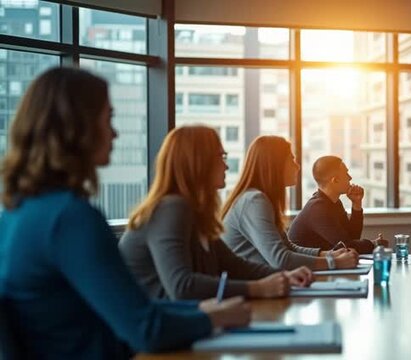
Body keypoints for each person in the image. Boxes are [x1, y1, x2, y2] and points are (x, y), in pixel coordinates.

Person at [0, 67, 249, 358]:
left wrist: (196, 309)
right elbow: (146, 330)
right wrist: (214, 318)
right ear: (77, 129)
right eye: (108, 119)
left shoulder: (16, 214)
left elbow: (128, 309)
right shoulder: (71, 219)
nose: (115, 132)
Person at [120, 126, 314, 301]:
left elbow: (234, 265)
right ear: (199, 163)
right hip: (157, 333)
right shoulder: (171, 208)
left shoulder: (195, 213)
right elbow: (182, 286)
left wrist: (282, 277)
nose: (226, 166)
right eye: (220, 157)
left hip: (183, 324)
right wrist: (257, 288)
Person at [221, 138, 360, 270]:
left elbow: (289, 248)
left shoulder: (262, 200)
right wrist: (333, 262)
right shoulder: (254, 201)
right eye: (292, 159)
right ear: (276, 164)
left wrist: (329, 255)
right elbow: (281, 259)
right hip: (245, 289)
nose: (297, 166)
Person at [288, 155, 389, 254]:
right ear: (335, 180)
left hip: (320, 265)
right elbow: (347, 246)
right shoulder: (317, 208)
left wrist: (356, 204)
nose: (350, 178)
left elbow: (352, 237)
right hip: (304, 268)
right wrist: (374, 244)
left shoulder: (334, 203)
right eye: (346, 174)